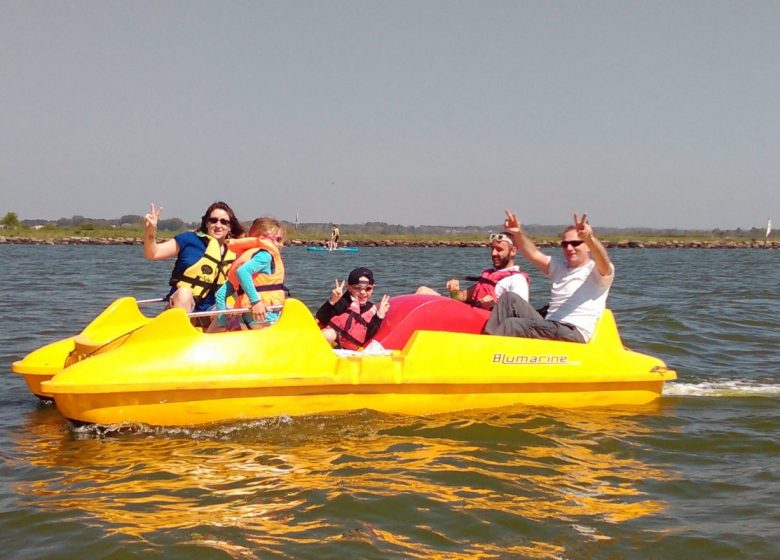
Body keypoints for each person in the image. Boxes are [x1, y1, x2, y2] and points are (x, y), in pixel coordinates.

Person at [484, 210, 614, 343]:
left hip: (572, 332)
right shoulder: (559, 267)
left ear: (587, 246)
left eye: (575, 243)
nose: (569, 248)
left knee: (513, 325)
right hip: (551, 326)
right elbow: (533, 253)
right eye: (565, 244)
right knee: (508, 299)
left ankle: (487, 354)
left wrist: (590, 238)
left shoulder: (597, 271)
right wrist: (517, 233)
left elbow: (604, 262)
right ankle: (484, 343)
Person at [143, 202, 245, 313]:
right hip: (182, 304)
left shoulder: (235, 252)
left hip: (211, 309)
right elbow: (153, 253)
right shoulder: (189, 239)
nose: (218, 225)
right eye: (213, 220)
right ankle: (179, 326)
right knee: (184, 293)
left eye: (224, 222)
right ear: (207, 223)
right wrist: (150, 231)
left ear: (230, 227)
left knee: (228, 307)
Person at [415, 232, 530, 310]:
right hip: (469, 313)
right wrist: (454, 291)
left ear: (513, 251)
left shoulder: (517, 280)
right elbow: (460, 298)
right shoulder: (489, 277)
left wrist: (493, 306)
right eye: (492, 249)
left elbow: (519, 315)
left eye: (499, 250)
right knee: (423, 290)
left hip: (486, 322)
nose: (493, 253)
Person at [210, 217, 288, 331]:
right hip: (264, 315)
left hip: (245, 318)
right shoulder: (265, 255)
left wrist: (222, 322)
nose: (281, 244)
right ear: (262, 238)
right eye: (278, 239)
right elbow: (242, 272)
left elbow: (221, 294)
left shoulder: (245, 258)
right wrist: (256, 302)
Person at [315, 267, 391, 350]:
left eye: (368, 288)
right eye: (358, 288)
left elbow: (368, 335)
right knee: (328, 334)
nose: (363, 292)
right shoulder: (342, 302)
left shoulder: (371, 309)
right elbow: (322, 318)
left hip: (350, 349)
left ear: (373, 288)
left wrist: (379, 316)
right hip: (330, 345)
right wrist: (332, 301)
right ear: (349, 288)